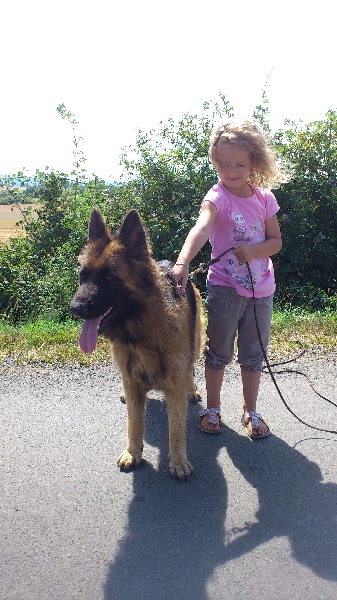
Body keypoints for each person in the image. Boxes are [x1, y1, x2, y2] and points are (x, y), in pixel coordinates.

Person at [172, 118, 286, 438]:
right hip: (224, 289)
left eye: (239, 163)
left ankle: (251, 412)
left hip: (261, 291)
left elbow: (276, 242)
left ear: (254, 162)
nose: (231, 170)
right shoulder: (217, 197)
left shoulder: (264, 198)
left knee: (253, 355)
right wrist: (183, 262)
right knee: (218, 352)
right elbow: (202, 227)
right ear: (214, 161)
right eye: (223, 164)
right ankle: (213, 409)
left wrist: (254, 250)